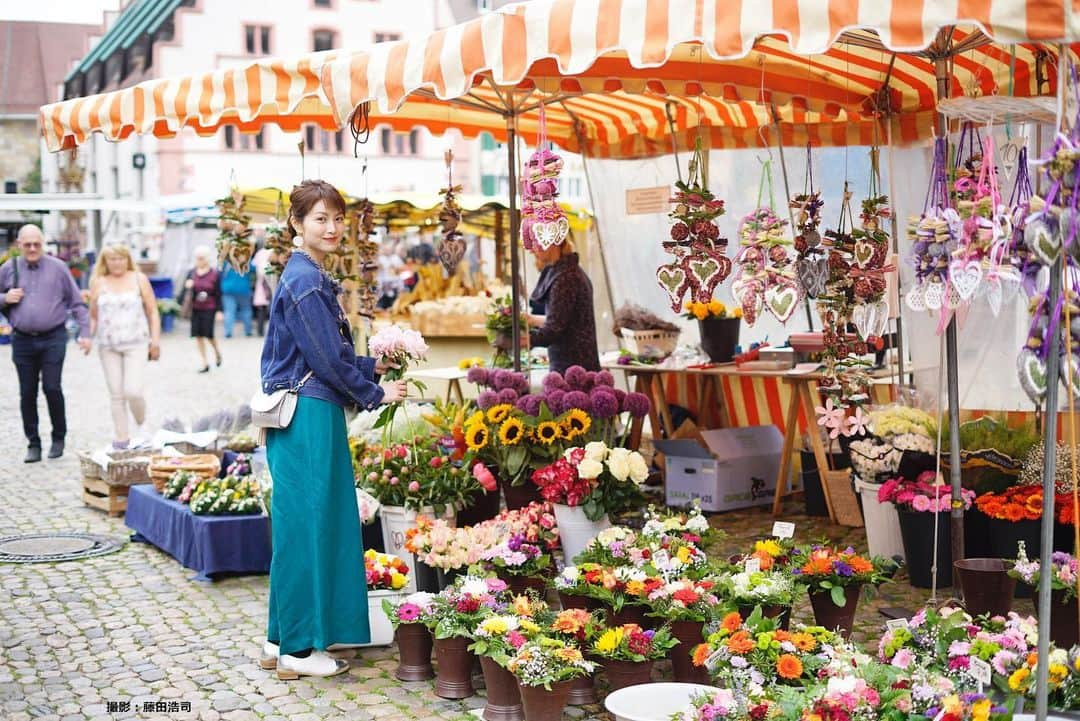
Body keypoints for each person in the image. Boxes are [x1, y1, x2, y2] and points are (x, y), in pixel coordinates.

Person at [258, 180, 406, 680]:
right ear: (297, 224)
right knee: (311, 527)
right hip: (308, 416)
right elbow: (322, 359)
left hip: (306, 412)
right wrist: (375, 393)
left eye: (338, 218)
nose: (333, 227)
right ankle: (298, 651)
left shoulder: (307, 275)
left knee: (301, 525)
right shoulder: (304, 280)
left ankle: (281, 637)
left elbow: (326, 353)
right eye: (320, 218)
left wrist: (371, 368)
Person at [0, 225, 91, 463]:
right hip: (22, 339)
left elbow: (77, 302)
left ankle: (58, 437)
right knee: (27, 392)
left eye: (36, 244)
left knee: (52, 387)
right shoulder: (9, 268)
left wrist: (86, 333)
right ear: (18, 245)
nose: (32, 248)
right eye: (27, 244)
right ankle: (33, 443)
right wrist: (4, 298)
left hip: (53, 337)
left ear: (43, 244)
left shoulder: (58, 268)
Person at [88, 244, 161, 449]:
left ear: (127, 259)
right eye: (112, 259)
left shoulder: (139, 279)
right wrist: (87, 338)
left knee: (133, 390)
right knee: (116, 393)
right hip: (108, 345)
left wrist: (155, 341)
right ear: (105, 262)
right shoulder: (98, 282)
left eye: (120, 258)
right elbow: (93, 315)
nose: (116, 263)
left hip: (136, 342)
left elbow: (152, 311)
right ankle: (122, 437)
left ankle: (143, 424)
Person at [527, 237, 600, 374]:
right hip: (577, 368)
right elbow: (566, 320)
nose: (531, 250)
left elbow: (552, 331)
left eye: (536, 242)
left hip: (574, 374)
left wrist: (520, 339)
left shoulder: (565, 279)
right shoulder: (569, 272)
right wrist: (531, 319)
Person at [181, 246, 222, 373]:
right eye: (197, 258)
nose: (199, 260)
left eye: (201, 258)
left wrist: (220, 311)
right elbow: (183, 294)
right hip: (195, 307)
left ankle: (217, 352)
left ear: (207, 259)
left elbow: (218, 293)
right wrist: (187, 286)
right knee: (198, 336)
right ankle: (204, 362)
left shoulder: (215, 273)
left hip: (210, 307)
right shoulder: (191, 272)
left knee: (209, 335)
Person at [220, 260, 255, 338]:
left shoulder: (227, 261)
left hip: (228, 289)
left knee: (229, 311)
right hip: (244, 288)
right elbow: (254, 270)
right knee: (246, 310)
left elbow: (220, 272)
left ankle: (228, 332)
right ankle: (248, 331)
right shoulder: (246, 261)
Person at [252, 243, 272, 336]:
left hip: (261, 283)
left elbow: (253, 265)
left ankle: (260, 331)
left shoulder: (259, 253)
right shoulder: (274, 251)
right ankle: (272, 331)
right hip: (271, 283)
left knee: (261, 309)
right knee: (273, 308)